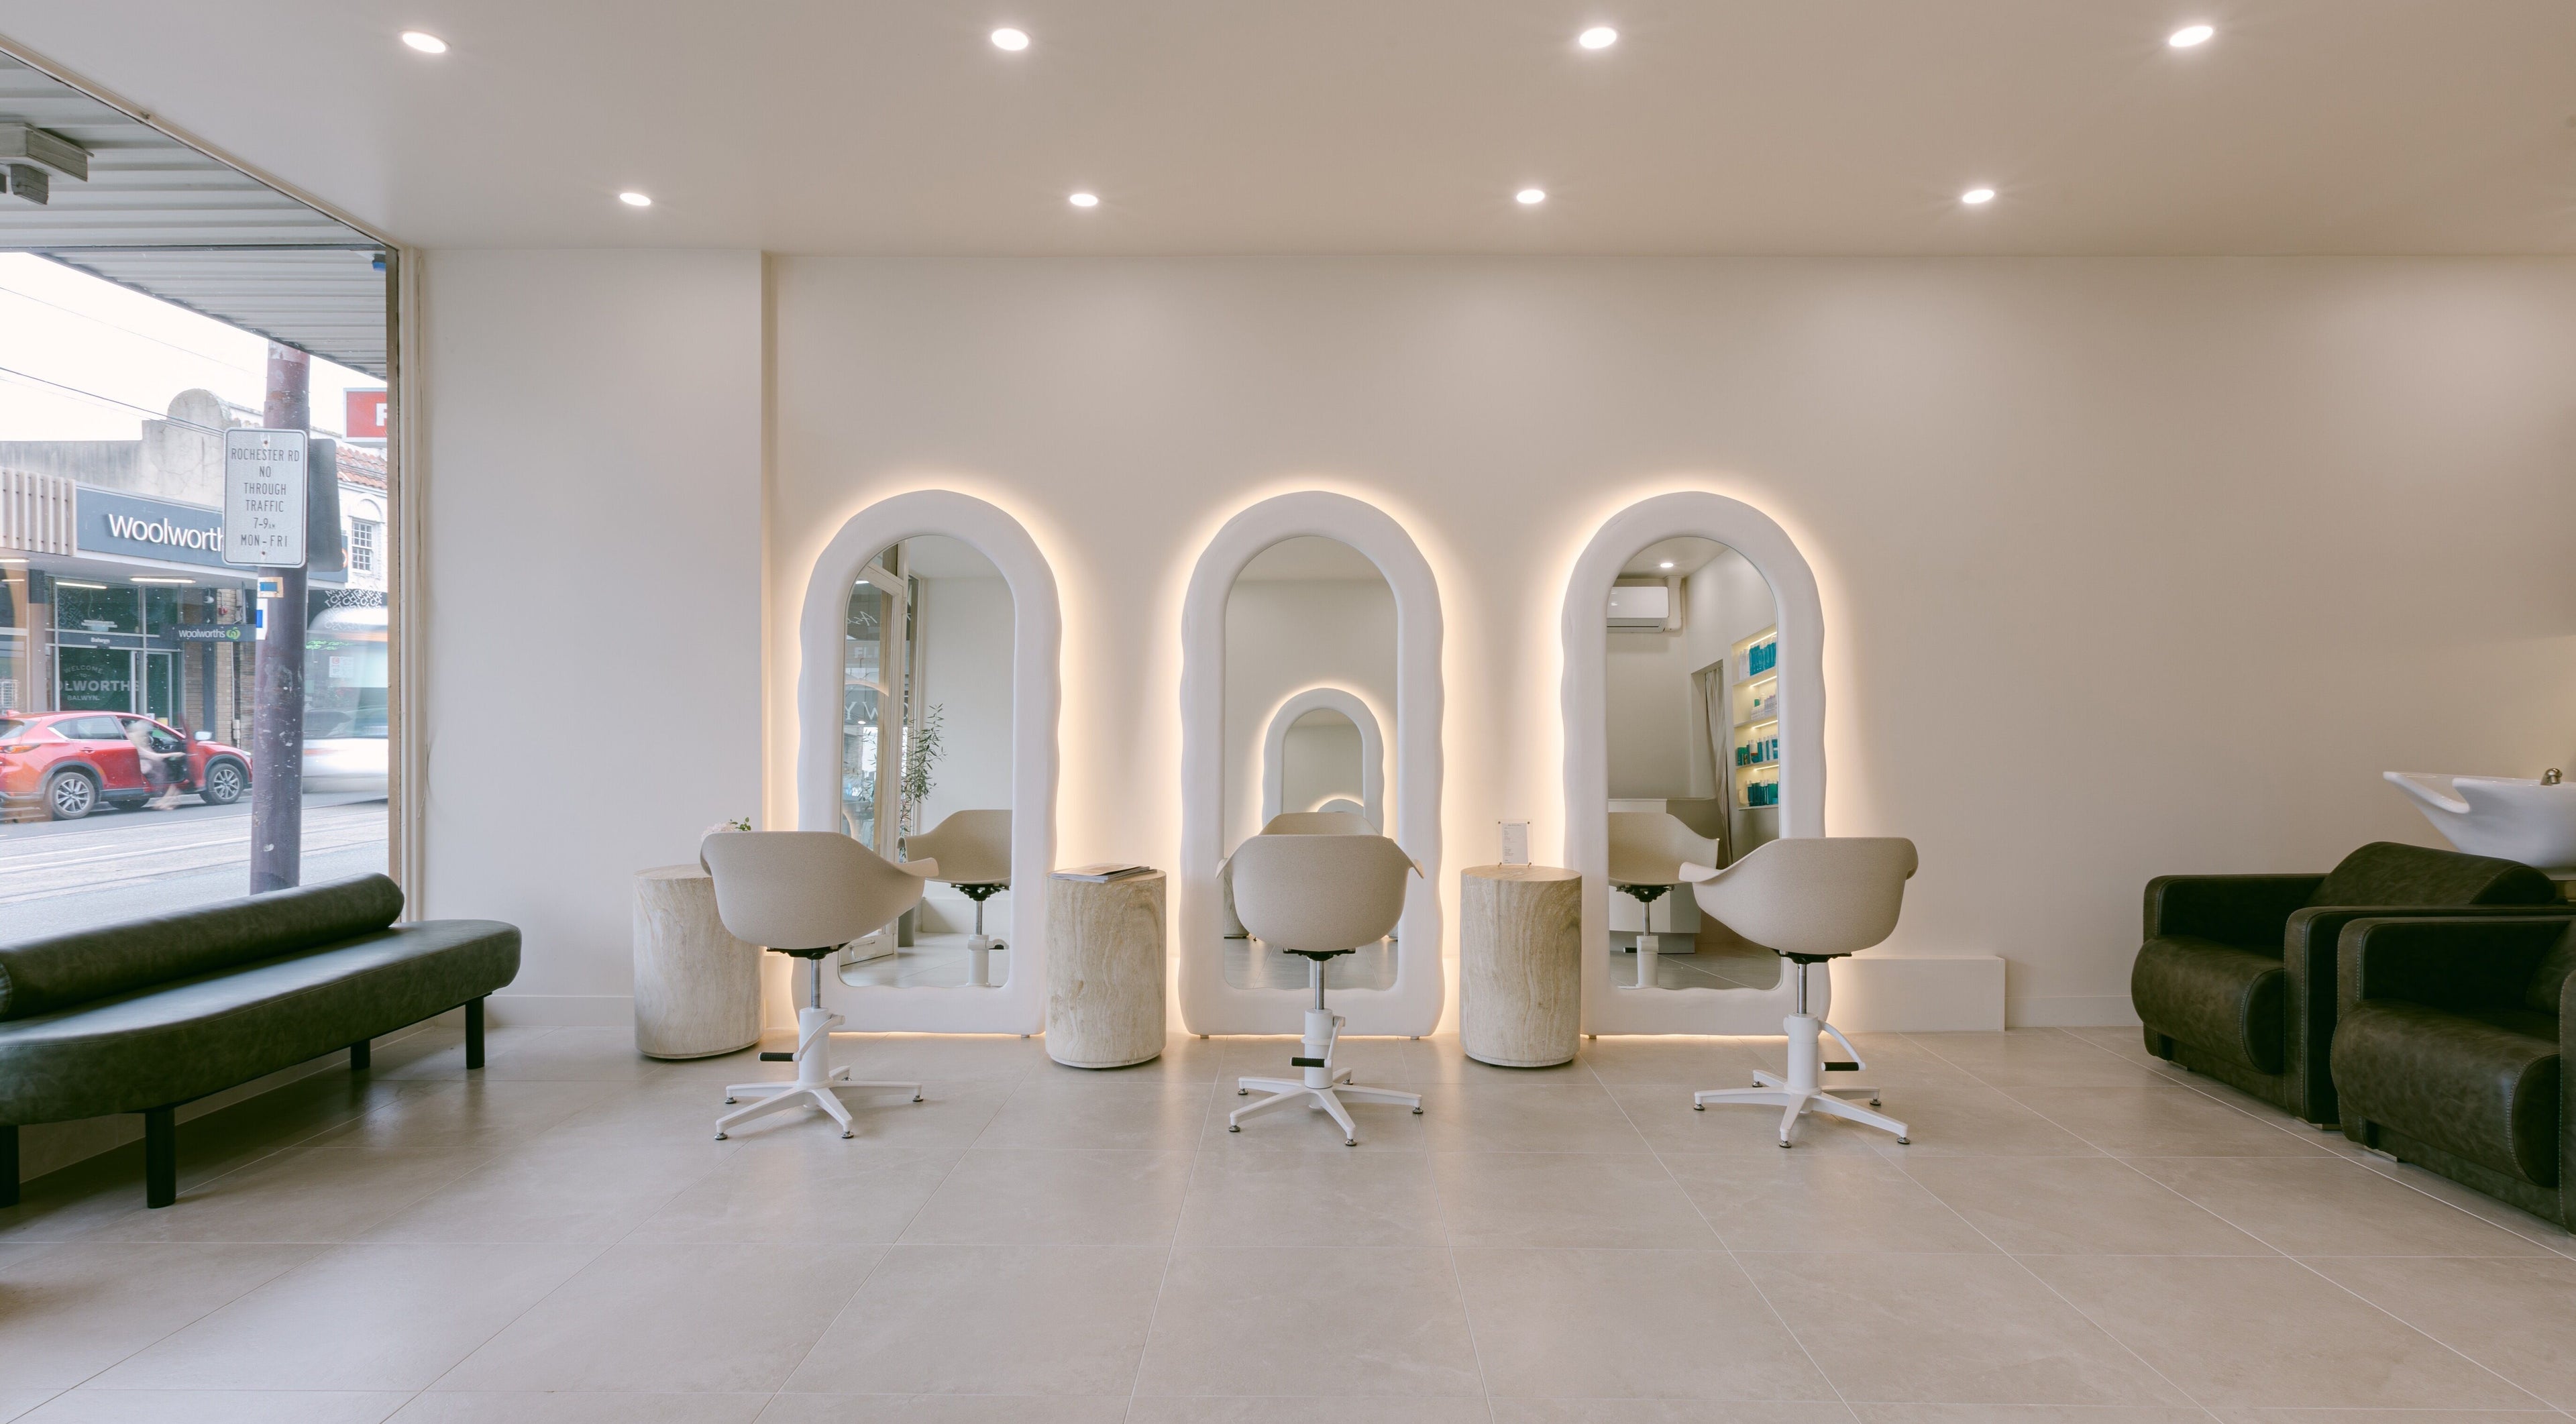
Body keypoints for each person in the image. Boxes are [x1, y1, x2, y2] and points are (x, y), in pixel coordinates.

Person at [125, 716, 183, 810]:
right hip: (141, 767)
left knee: (163, 770)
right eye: (144, 732)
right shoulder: (134, 739)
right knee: (164, 773)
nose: (145, 735)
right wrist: (174, 754)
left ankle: (166, 801)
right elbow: (151, 755)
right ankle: (165, 801)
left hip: (143, 766)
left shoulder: (136, 737)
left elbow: (150, 753)